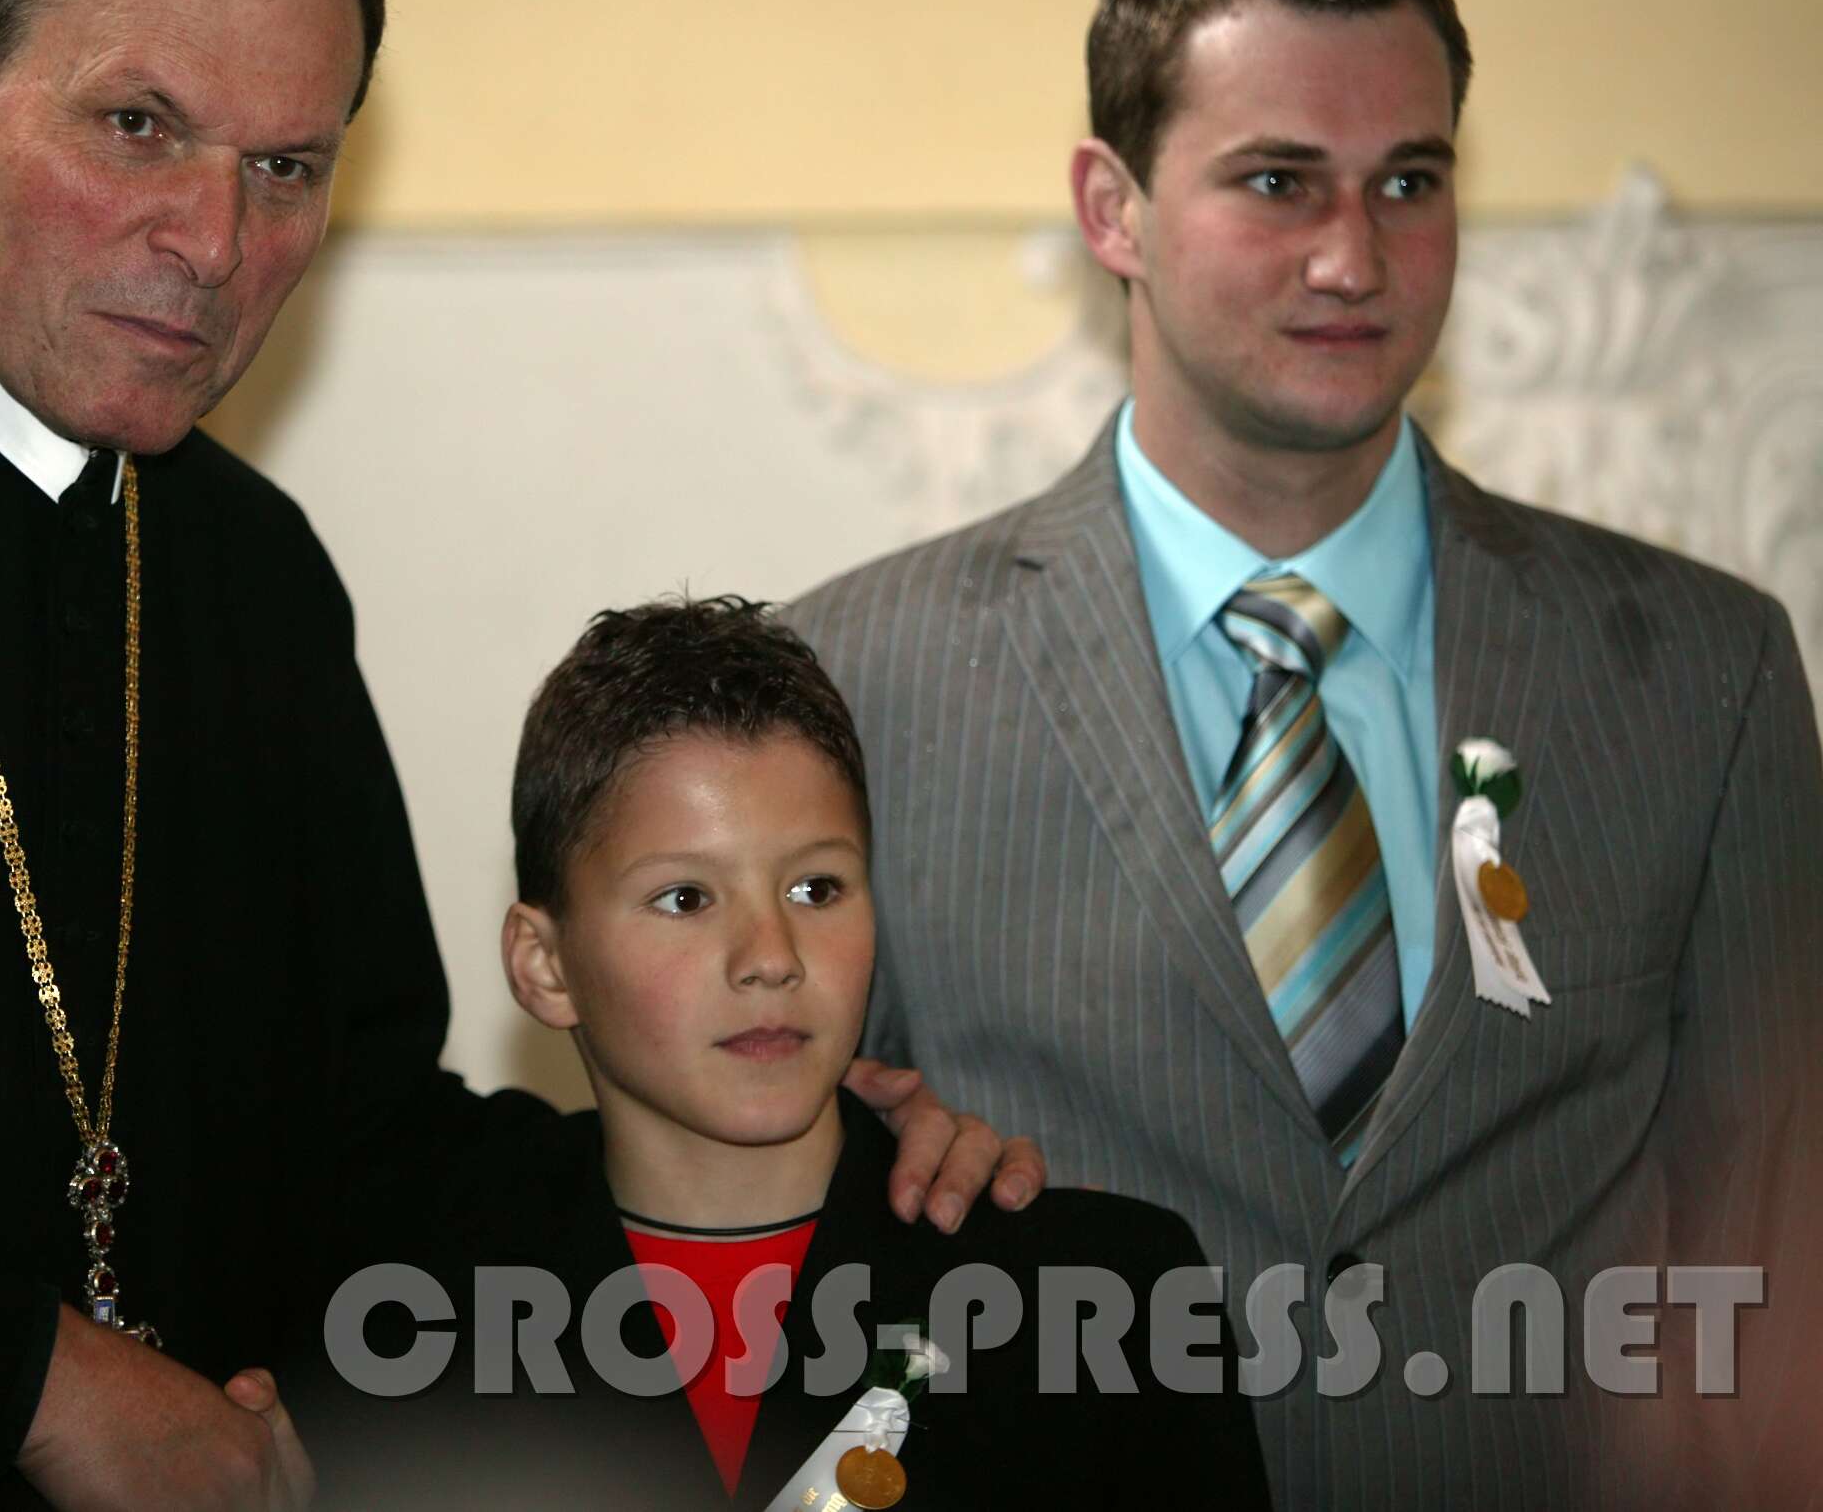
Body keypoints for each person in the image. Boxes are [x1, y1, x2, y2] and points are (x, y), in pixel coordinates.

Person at [0, 0, 1038, 1507]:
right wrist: (23, 1380)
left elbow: (365, 1157)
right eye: (139, 126)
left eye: (285, 167)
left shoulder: (250, 573)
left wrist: (775, 1143)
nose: (211, 239)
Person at [783, 0, 1823, 1506]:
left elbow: (1779, 1266)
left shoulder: (1705, 674)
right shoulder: (855, 684)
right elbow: (782, 1263)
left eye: (1408, 181)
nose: (1354, 258)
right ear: (1111, 209)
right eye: (1278, 182)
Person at [307, 597, 1270, 1510]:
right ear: (545, 964)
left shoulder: (1100, 1295)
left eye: (817, 889)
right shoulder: (414, 1308)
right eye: (686, 898)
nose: (771, 955)